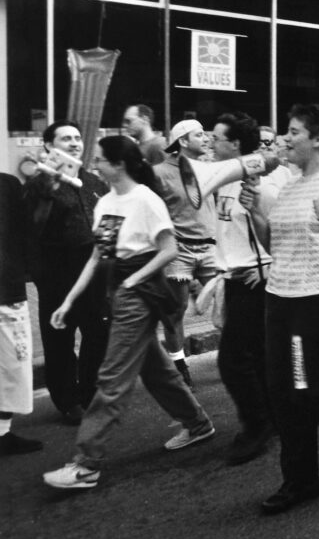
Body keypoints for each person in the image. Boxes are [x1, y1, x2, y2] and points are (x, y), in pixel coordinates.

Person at [43, 136, 216, 490]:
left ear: (118, 164)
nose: (95, 165)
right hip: (120, 291)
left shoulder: (146, 200)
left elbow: (169, 250)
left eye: (101, 160)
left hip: (139, 292)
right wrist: (68, 301)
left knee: (112, 377)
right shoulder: (106, 202)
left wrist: (133, 280)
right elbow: (98, 257)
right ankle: (197, 423)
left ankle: (86, 464)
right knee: (155, 369)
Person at [246, 104, 319, 515]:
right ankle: (300, 480)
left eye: (294, 131)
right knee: (284, 392)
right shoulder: (290, 185)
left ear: (318, 138)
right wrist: (255, 212)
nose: (285, 138)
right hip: (280, 299)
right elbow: (273, 245)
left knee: (318, 392)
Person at [209, 113, 288, 465]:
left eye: (217, 138)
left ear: (236, 144)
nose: (211, 143)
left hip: (255, 281)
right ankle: (272, 418)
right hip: (234, 276)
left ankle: (256, 425)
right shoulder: (223, 180)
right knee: (256, 356)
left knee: (233, 361)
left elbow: (278, 234)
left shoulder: (262, 186)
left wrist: (268, 266)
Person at [23, 120, 109, 425]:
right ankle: (67, 401)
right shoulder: (38, 183)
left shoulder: (95, 182)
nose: (74, 143)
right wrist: (50, 186)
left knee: (98, 334)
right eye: (65, 139)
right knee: (60, 340)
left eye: (77, 138)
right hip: (57, 274)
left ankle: (89, 393)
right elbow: (33, 226)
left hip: (95, 272)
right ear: (49, 146)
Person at [153, 119, 221, 389]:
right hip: (178, 250)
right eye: (199, 135)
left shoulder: (211, 168)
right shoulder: (158, 172)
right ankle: (180, 366)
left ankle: (232, 358)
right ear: (182, 141)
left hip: (211, 247)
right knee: (175, 311)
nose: (206, 139)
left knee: (225, 303)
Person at [0, 172, 43, 456]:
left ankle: (2, 432)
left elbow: (30, 227)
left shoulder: (8, 185)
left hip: (6, 286)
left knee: (13, 364)